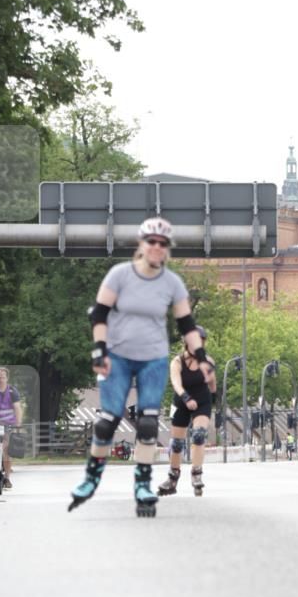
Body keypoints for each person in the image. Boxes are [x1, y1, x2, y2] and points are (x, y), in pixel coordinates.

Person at [68, 216, 212, 517]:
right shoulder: (120, 275)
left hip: (153, 358)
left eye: (163, 244)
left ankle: (143, 484)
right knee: (107, 420)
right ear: (141, 245)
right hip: (118, 356)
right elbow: (99, 314)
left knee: (148, 423)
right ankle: (92, 478)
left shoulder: (172, 283)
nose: (157, 248)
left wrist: (201, 359)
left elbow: (187, 324)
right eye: (152, 242)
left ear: (167, 249)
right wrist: (99, 351)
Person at [158, 326, 217, 498]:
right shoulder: (177, 362)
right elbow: (176, 384)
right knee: (177, 443)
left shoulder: (208, 361)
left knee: (199, 434)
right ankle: (172, 478)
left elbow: (212, 382)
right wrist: (186, 398)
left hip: (202, 401)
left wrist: (214, 398)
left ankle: (196, 474)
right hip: (182, 401)